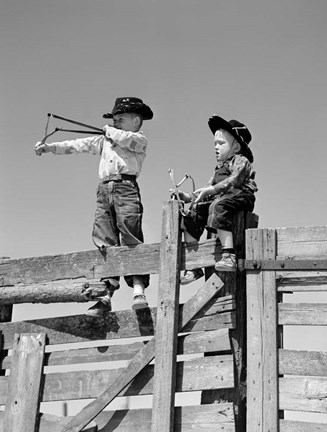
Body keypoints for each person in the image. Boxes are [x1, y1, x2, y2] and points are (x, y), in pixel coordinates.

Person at [35, 97, 153, 315]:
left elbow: (126, 140)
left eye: (120, 119)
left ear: (136, 121)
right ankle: (105, 293)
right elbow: (79, 145)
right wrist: (50, 147)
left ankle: (138, 289)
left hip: (126, 187)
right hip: (104, 190)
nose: (115, 123)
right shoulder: (106, 139)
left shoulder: (138, 139)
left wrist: (109, 130)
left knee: (131, 236)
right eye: (114, 120)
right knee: (105, 239)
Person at [174, 114, 257, 284]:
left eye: (221, 143)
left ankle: (229, 255)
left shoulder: (241, 161)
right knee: (193, 211)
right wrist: (188, 197)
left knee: (218, 205)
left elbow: (234, 181)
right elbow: (208, 189)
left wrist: (212, 190)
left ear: (235, 147)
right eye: (215, 144)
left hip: (241, 195)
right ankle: (194, 265)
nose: (216, 147)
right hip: (222, 195)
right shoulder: (218, 169)